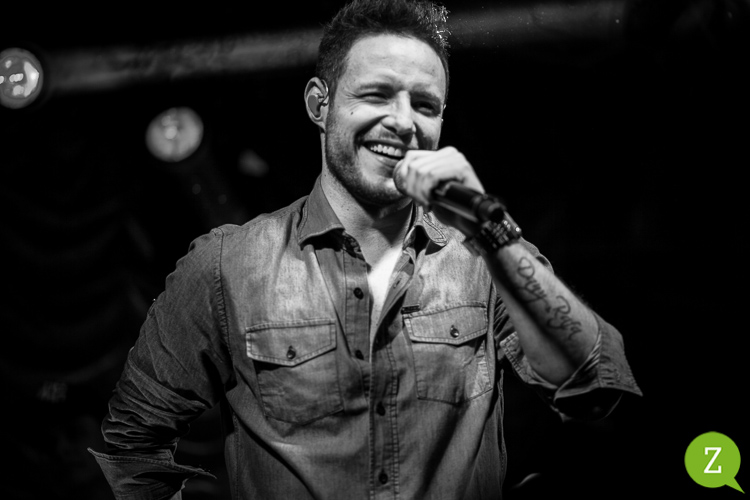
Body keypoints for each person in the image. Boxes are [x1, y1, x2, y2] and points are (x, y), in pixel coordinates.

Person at [90, 0, 642, 498]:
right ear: (319, 104)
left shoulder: (483, 256)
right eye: (377, 94)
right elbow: (131, 445)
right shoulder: (227, 264)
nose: (402, 122)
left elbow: (597, 384)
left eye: (424, 104)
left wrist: (490, 228)